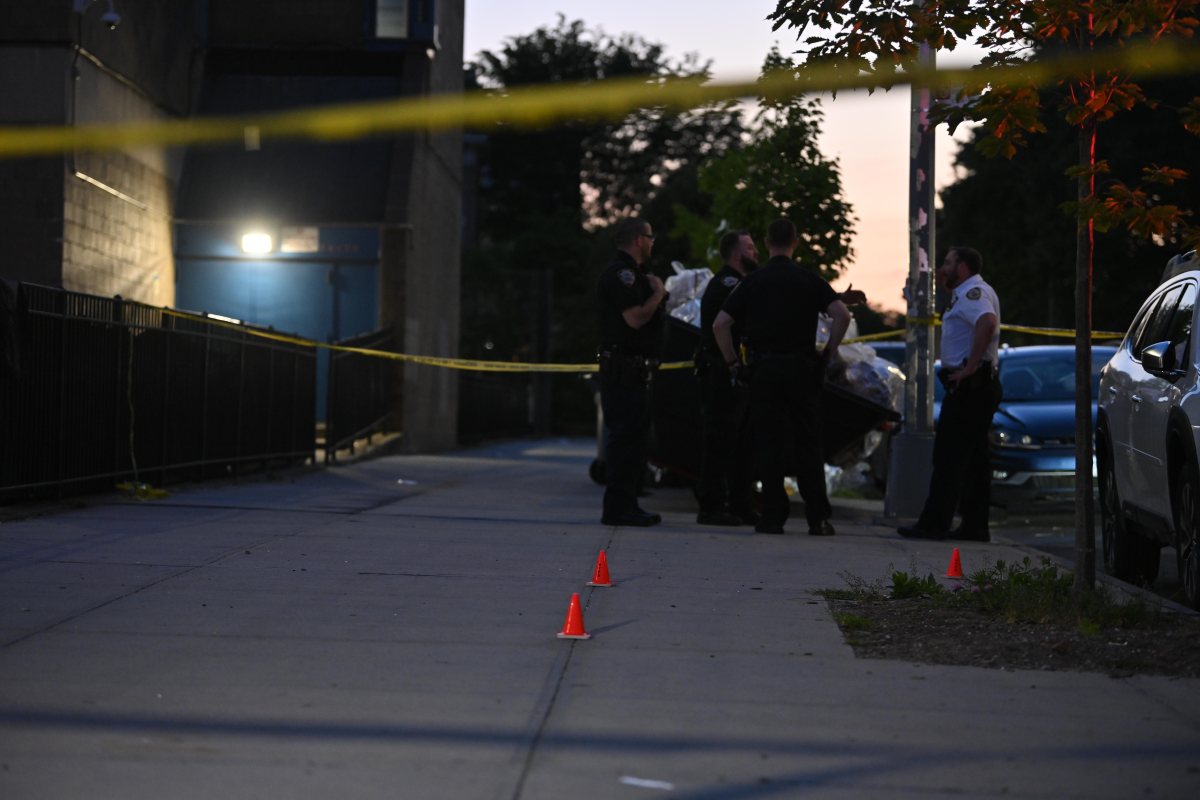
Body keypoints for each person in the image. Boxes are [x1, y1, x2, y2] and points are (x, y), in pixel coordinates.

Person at [713, 218, 852, 536]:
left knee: (769, 443)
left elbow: (720, 324)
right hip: (802, 369)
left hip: (764, 371)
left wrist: (733, 364)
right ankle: (818, 518)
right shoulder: (808, 280)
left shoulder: (752, 282)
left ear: (766, 243)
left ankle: (772, 517)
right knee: (808, 443)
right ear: (796, 242)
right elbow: (842, 314)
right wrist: (828, 352)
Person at [899, 245, 1001, 542]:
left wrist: (970, 366)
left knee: (948, 458)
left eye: (948, 263)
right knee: (974, 461)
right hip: (977, 387)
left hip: (971, 387)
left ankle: (933, 524)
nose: (943, 268)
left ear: (963, 267)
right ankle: (974, 525)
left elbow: (987, 322)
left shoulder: (974, 293)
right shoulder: (968, 293)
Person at [596, 217, 667, 527]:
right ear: (639, 239)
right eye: (650, 237)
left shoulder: (635, 275)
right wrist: (659, 293)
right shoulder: (622, 274)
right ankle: (617, 509)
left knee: (634, 441)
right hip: (623, 370)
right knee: (624, 439)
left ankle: (629, 504)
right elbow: (635, 319)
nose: (653, 243)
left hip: (633, 371)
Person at [694, 230, 759, 526]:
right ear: (736, 254)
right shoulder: (727, 284)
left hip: (733, 371)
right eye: (750, 247)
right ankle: (712, 506)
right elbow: (722, 327)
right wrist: (733, 363)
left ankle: (739, 504)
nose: (756, 252)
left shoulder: (739, 283)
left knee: (742, 442)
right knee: (719, 441)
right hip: (722, 371)